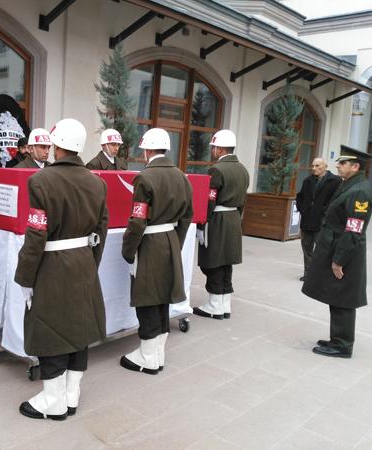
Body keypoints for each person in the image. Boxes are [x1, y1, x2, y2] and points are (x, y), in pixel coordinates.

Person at [14, 118, 108, 421]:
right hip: (83, 260)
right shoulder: (97, 181)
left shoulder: (40, 181)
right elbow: (101, 229)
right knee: (79, 327)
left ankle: (52, 401)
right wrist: (91, 263)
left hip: (52, 264)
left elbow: (36, 233)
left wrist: (25, 275)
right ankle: (71, 395)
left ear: (56, 146)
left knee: (50, 328)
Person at [120, 128, 193, 374]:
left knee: (148, 298)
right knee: (162, 297)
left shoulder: (145, 178)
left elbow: (138, 220)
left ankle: (148, 357)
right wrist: (177, 242)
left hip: (150, 242)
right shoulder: (182, 176)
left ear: (147, 151)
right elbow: (187, 215)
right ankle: (157, 353)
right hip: (170, 239)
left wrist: (128, 250)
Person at [302, 148, 372, 358]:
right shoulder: (349, 184)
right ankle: (337, 339)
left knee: (343, 297)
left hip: (345, 252)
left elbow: (354, 230)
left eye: (343, 163)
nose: (338, 166)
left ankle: (342, 345)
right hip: (336, 247)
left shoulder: (359, 191)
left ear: (355, 166)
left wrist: (339, 260)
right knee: (336, 294)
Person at [193, 129, 249, 320]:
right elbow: (243, 201)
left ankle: (215, 305)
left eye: (214, 147)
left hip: (217, 220)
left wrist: (201, 223)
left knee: (213, 261)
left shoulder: (217, 169)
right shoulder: (243, 169)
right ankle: (224, 304)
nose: (213, 150)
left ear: (220, 148)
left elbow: (210, 200)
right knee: (226, 262)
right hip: (233, 219)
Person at [295, 158, 340, 281]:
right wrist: (302, 209)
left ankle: (322, 274)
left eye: (317, 165)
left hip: (322, 222)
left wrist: (325, 213)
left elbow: (337, 200)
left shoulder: (335, 181)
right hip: (306, 221)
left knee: (323, 249)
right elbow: (300, 196)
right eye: (312, 165)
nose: (314, 168)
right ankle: (308, 273)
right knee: (306, 248)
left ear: (325, 166)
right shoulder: (308, 181)